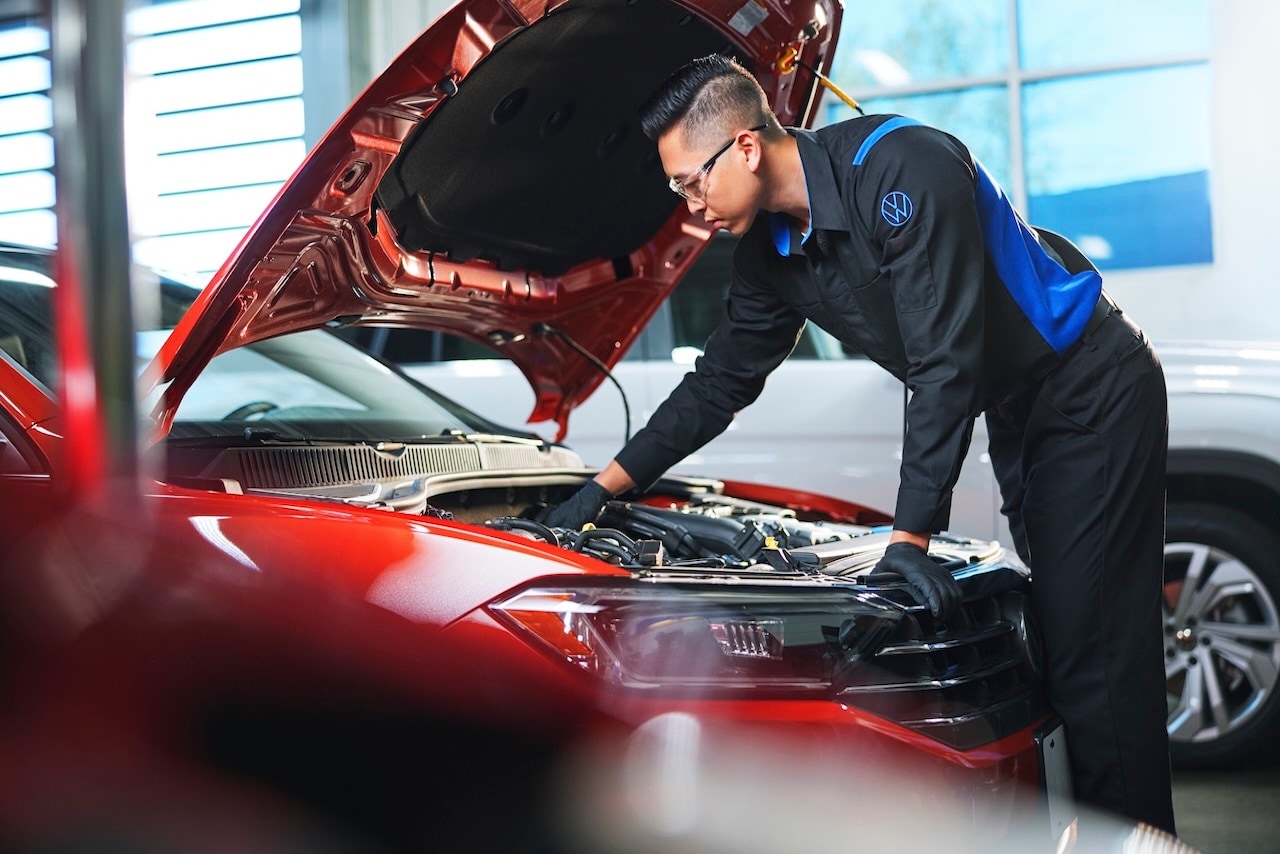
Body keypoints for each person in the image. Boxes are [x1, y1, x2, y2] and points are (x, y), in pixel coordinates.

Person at [541, 54, 1174, 835]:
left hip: (1091, 386)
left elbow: (944, 362)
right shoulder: (767, 256)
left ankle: (1143, 842)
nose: (692, 207)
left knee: (1097, 658)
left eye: (691, 183)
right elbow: (718, 384)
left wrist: (911, 537)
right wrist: (600, 491)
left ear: (744, 146)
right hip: (1017, 409)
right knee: (1062, 631)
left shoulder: (904, 167)